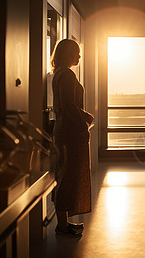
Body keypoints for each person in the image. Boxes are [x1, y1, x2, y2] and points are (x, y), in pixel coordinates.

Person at [51, 39, 94, 237]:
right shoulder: (67, 74)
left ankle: (64, 222)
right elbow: (68, 106)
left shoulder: (58, 73)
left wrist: (83, 115)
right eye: (76, 53)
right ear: (68, 53)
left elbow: (65, 105)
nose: (79, 56)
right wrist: (83, 123)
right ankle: (62, 226)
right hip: (70, 132)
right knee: (69, 176)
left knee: (64, 174)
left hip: (62, 130)